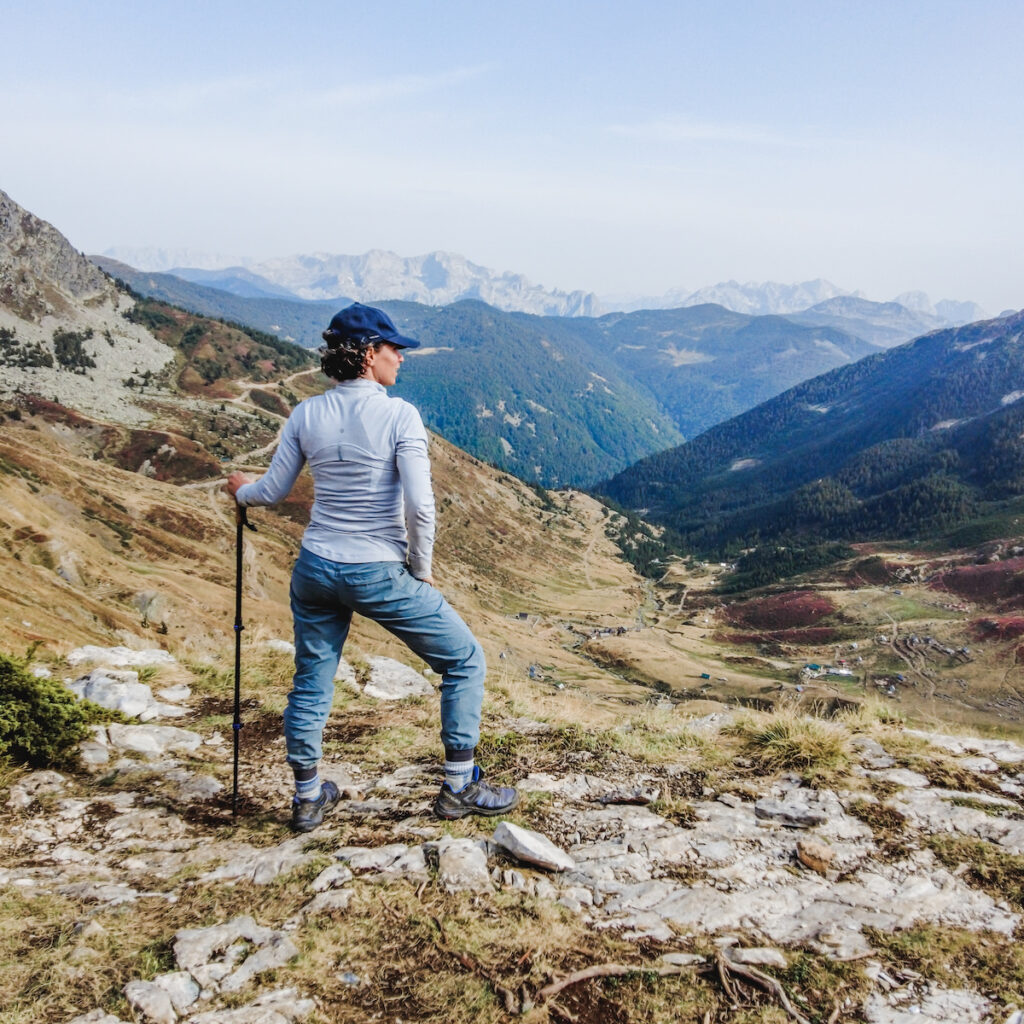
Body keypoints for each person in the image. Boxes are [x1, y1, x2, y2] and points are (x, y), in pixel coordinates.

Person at [226, 303, 518, 832]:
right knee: (464, 660)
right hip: (377, 568)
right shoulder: (399, 414)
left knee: (312, 677)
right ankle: (459, 787)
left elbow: (270, 492)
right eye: (392, 348)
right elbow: (420, 507)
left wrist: (239, 492)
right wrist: (421, 569)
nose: (400, 358)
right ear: (367, 355)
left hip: (315, 568)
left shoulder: (305, 414)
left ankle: (308, 797)